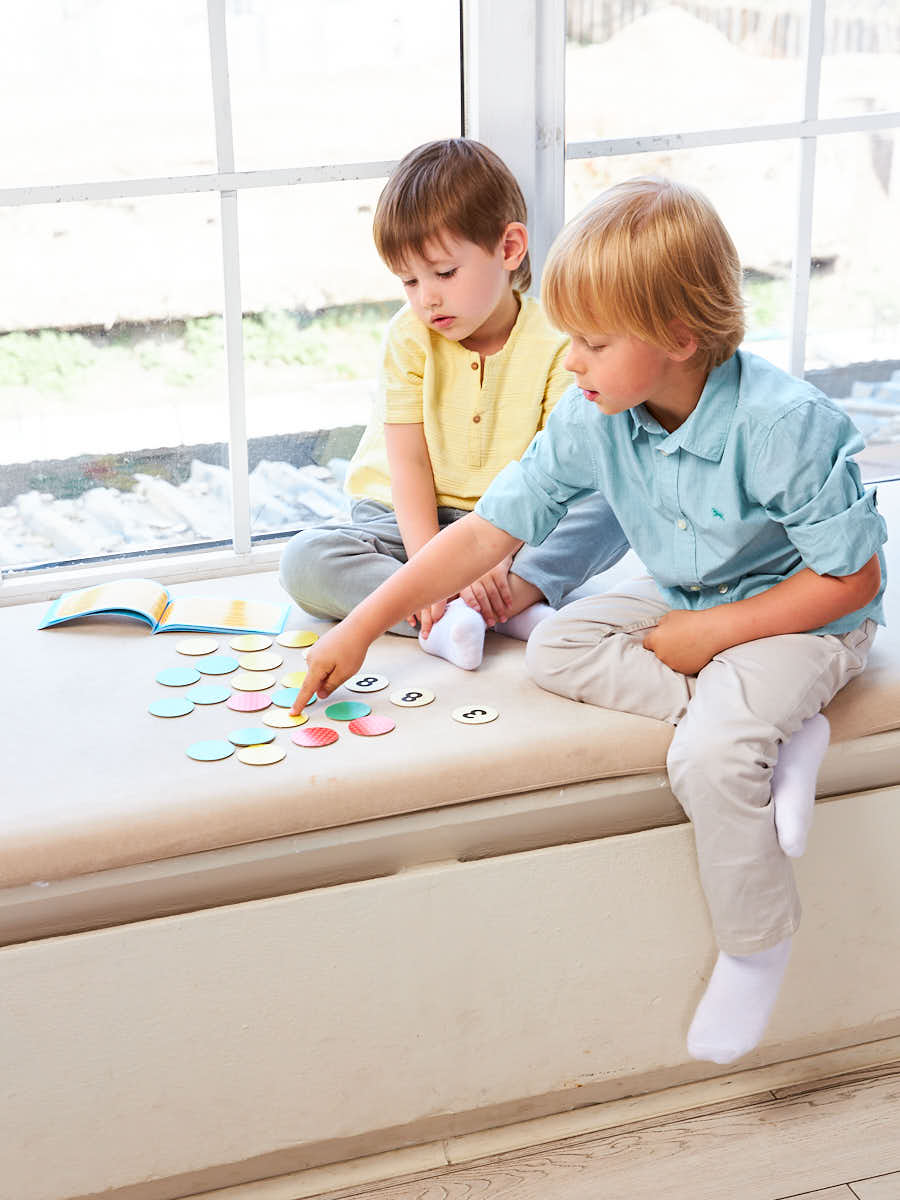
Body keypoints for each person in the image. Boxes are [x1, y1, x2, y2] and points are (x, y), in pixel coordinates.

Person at [290, 176, 887, 1065]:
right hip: (691, 592)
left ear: (679, 339)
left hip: (807, 616)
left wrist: (713, 636)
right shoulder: (597, 414)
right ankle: (774, 728)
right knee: (560, 646)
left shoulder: (782, 425)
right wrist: (362, 624)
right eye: (570, 338)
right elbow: (486, 532)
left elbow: (852, 577)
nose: (570, 361)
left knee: (708, 758)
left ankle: (756, 945)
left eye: (593, 343)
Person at [279, 138, 628, 671]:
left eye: (443, 273)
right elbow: (409, 466)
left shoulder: (559, 343)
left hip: (512, 525)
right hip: (405, 523)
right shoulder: (409, 336)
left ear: (509, 249)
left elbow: (555, 478)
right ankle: (474, 612)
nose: (427, 298)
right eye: (409, 281)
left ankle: (498, 598)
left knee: (616, 504)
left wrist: (497, 554)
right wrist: (434, 571)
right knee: (306, 560)